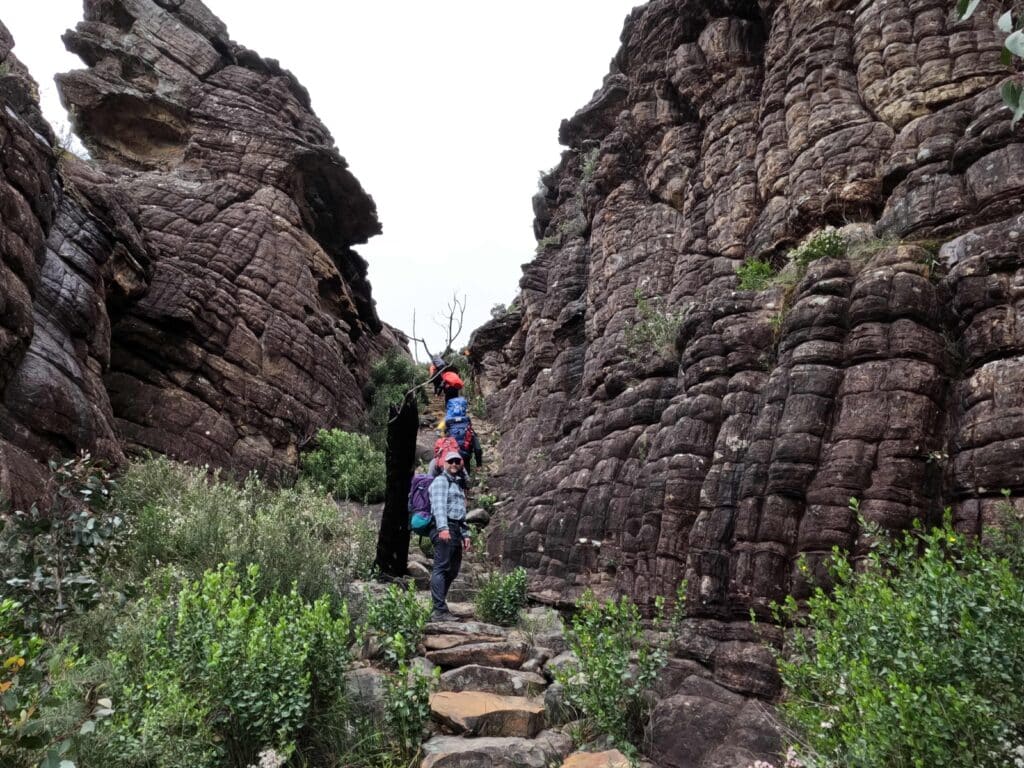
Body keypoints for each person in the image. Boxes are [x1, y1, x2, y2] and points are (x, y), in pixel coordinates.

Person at [428, 451, 472, 622]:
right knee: (441, 567)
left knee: (453, 570)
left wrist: (465, 534)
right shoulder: (441, 481)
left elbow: (461, 513)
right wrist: (443, 528)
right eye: (450, 461)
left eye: (456, 461)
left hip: (455, 529)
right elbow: (439, 506)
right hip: (443, 527)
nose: (454, 464)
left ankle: (439, 605)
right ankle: (439, 610)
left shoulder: (458, 484)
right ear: (443, 464)